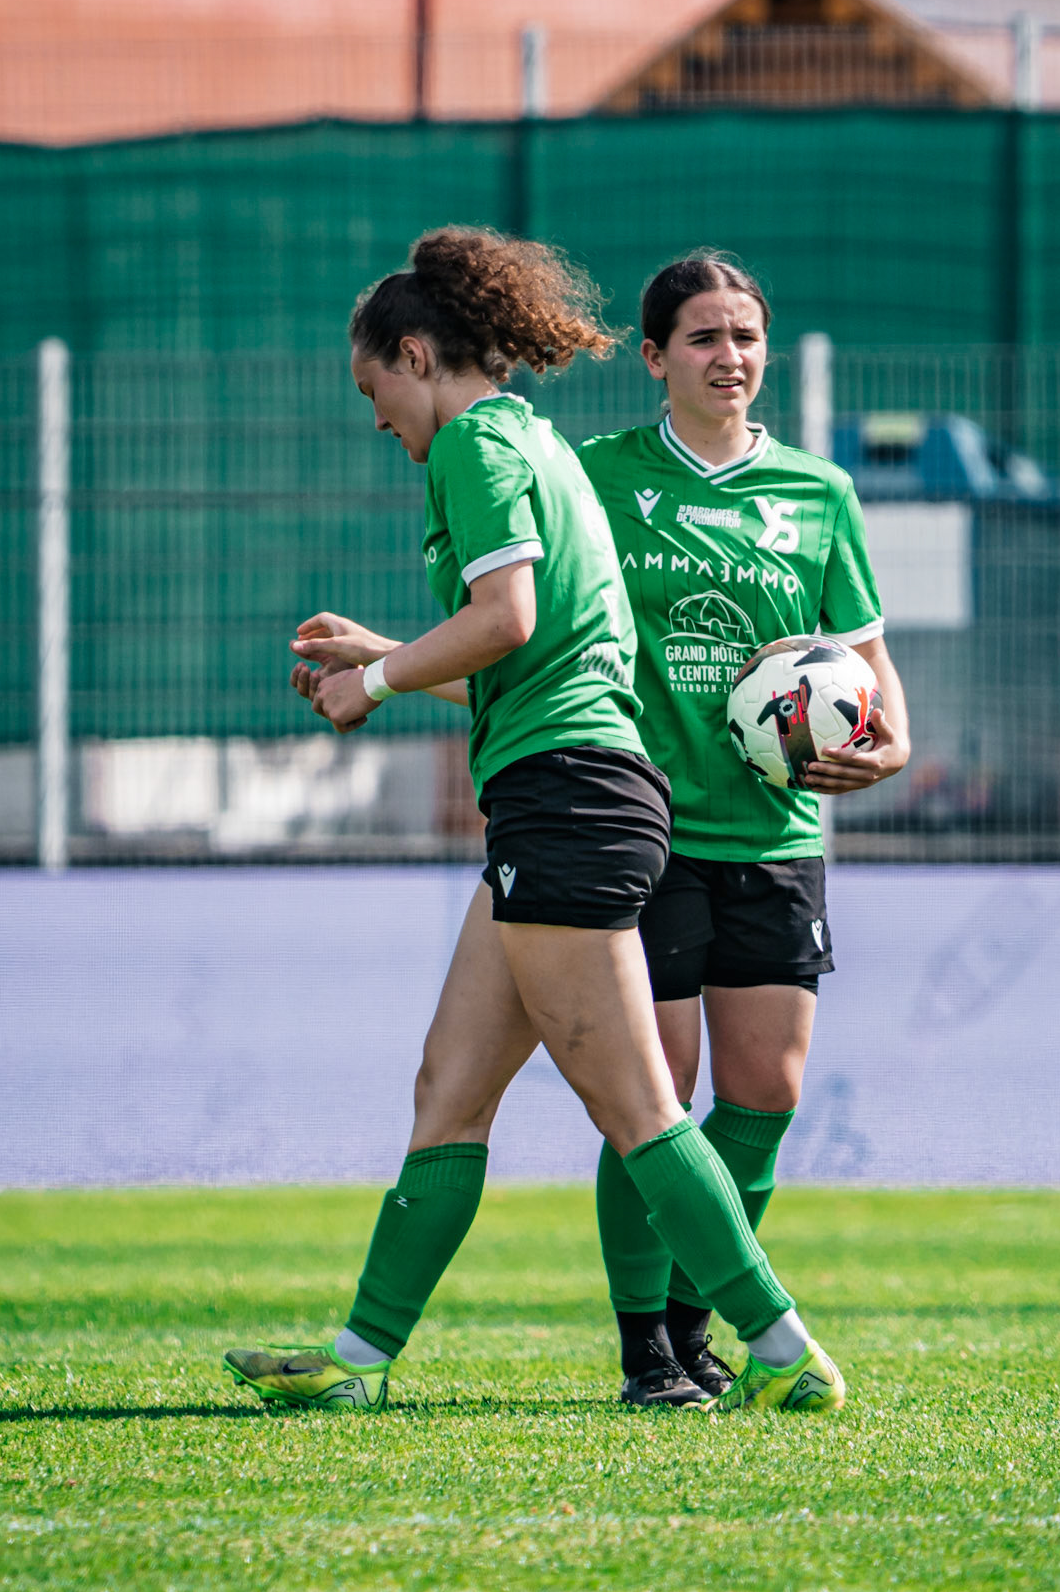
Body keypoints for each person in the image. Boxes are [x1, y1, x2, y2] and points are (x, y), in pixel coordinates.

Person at [222, 227, 846, 1417]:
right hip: (570, 792)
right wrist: (391, 650)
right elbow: (547, 645)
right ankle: (358, 1364)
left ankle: (780, 1350)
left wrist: (378, 682)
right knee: (447, 1086)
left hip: (566, 800)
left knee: (639, 1107)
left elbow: (505, 616)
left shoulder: (470, 442)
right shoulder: (533, 443)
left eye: (376, 387)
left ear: (417, 352)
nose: (377, 417)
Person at [577, 252, 910, 1406]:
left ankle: (693, 1316)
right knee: (654, 1098)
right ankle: (643, 1349)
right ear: (656, 353)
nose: (732, 358)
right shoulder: (598, 477)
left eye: (748, 337)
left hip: (778, 832)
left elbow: (867, 665)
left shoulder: (819, 492)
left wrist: (888, 748)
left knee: (764, 1093)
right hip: (648, 825)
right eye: (706, 337)